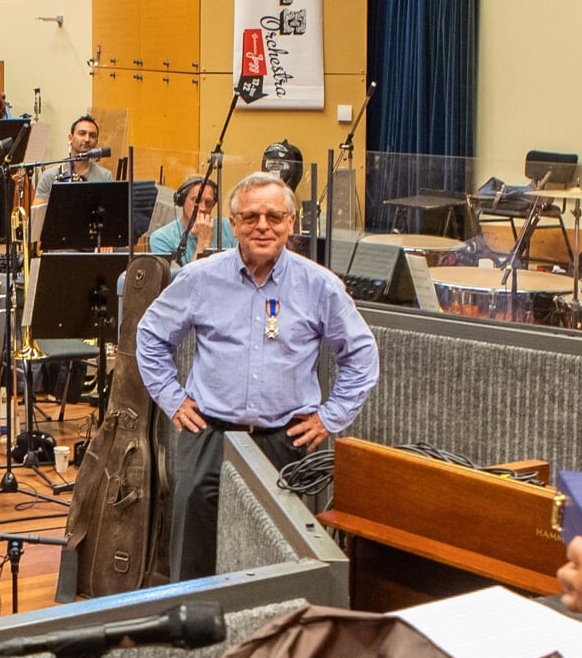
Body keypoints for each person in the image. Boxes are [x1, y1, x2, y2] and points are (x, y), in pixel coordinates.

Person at [136, 171, 378, 582]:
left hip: (284, 441)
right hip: (209, 436)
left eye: (273, 216)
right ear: (234, 225)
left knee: (280, 561)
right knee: (194, 557)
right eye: (250, 217)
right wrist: (173, 399)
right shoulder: (201, 278)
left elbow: (361, 356)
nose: (262, 226)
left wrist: (329, 417)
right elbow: (150, 336)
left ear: (291, 224)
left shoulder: (319, 286)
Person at [149, 175, 237, 266]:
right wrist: (203, 241)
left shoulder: (230, 227)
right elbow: (184, 280)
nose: (203, 208)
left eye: (208, 203)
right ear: (182, 201)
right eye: (196, 201)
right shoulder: (162, 238)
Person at [34, 115, 111, 200]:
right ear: (71, 138)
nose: (87, 139)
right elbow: (38, 212)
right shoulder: (49, 176)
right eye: (82, 133)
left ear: (96, 142)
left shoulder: (105, 177)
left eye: (92, 135)